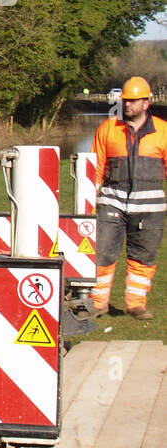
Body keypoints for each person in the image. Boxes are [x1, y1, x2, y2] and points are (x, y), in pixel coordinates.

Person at [92, 76, 167, 319]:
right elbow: (95, 168)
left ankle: (135, 304)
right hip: (111, 202)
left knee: (143, 256)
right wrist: (89, 200)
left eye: (133, 101)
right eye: (125, 100)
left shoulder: (163, 132)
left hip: (150, 209)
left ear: (146, 103)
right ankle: (97, 303)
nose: (127, 104)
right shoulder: (108, 129)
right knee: (102, 253)